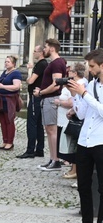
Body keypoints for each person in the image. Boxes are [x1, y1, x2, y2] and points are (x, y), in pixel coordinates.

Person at [66, 49, 103, 223]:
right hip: (85, 141)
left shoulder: (91, 89)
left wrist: (85, 94)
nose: (89, 70)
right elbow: (82, 115)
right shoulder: (90, 85)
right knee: (83, 185)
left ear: (102, 66)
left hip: (101, 141)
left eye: (92, 66)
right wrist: (76, 97)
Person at [35, 39, 67, 170]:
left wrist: (41, 92)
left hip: (51, 98)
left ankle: (56, 160)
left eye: (46, 47)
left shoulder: (57, 63)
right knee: (49, 130)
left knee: (52, 130)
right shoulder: (54, 63)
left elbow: (56, 84)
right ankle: (52, 158)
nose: (44, 49)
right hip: (48, 98)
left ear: (52, 49)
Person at [55, 62, 87, 178]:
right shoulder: (77, 83)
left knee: (76, 145)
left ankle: (76, 171)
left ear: (75, 72)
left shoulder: (80, 84)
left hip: (78, 118)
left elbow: (78, 101)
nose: (68, 73)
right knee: (74, 145)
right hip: (74, 114)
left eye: (70, 71)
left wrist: (70, 109)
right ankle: (74, 169)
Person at [18, 45, 48, 159]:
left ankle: (30, 150)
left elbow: (30, 81)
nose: (33, 53)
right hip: (39, 96)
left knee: (32, 123)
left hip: (36, 97)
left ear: (40, 53)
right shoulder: (43, 64)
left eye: (35, 51)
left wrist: (29, 72)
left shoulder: (41, 64)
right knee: (39, 123)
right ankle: (39, 149)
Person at [0, 55, 22, 151]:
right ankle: (4, 141)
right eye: (5, 61)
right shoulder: (5, 72)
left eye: (8, 62)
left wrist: (3, 87)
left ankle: (10, 142)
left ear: (13, 63)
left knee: (9, 120)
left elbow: (16, 87)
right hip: (0, 99)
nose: (6, 63)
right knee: (2, 120)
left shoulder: (16, 73)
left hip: (9, 99)